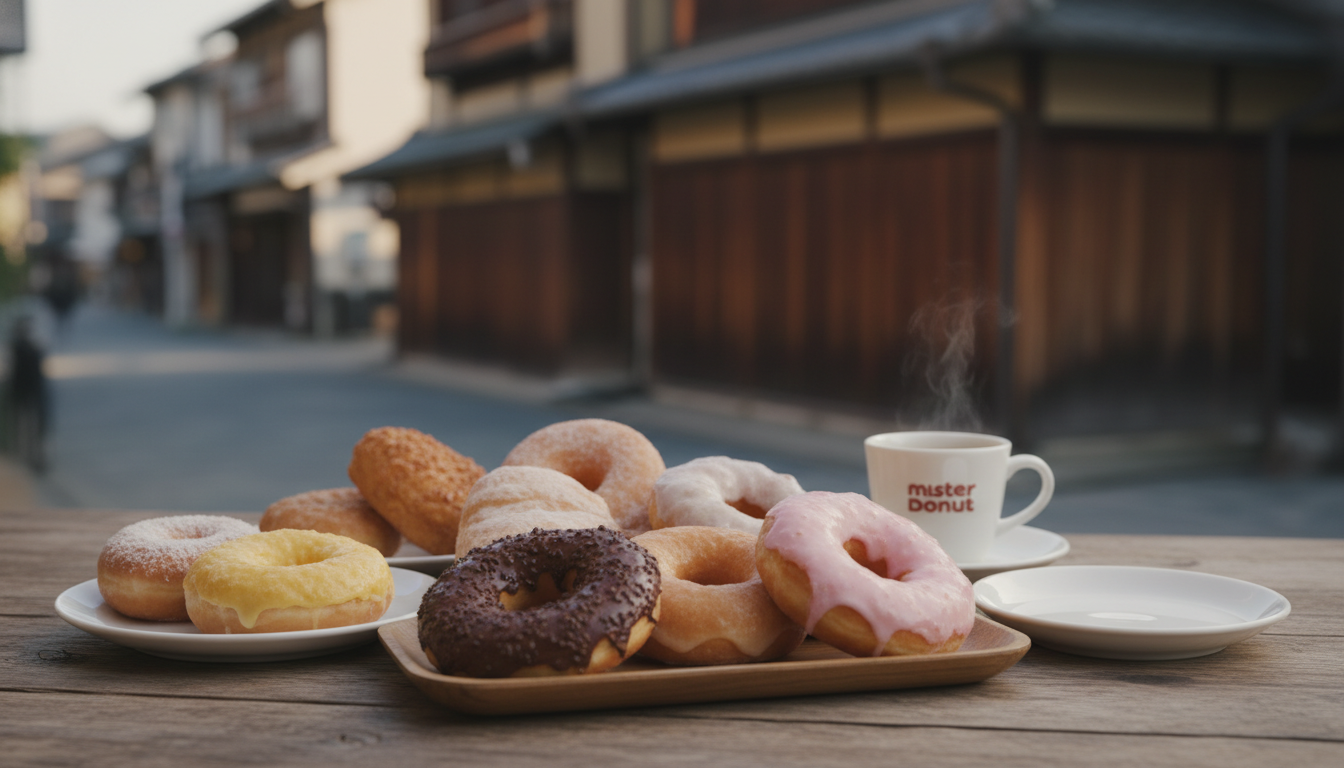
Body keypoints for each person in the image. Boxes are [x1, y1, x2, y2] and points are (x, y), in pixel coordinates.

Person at [5, 316, 49, 472]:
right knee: (29, 425)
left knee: (28, 425)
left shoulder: (19, 347)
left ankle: (32, 457)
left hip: (26, 391)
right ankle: (31, 457)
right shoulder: (26, 348)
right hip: (29, 391)